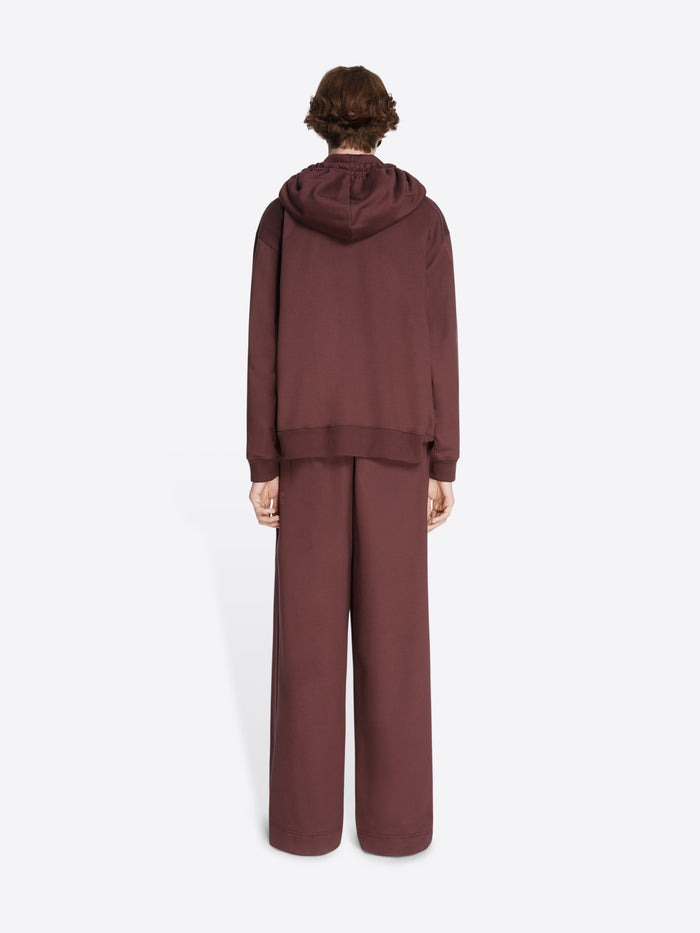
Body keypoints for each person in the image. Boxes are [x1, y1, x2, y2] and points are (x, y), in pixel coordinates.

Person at [246, 65, 459, 857]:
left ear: (320, 121)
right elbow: (441, 345)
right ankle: (396, 829)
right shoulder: (423, 220)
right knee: (397, 649)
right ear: (382, 122)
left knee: (304, 649)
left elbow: (263, 349)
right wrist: (444, 460)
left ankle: (304, 828)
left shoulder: (283, 217)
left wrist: (263, 461)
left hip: (306, 452)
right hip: (400, 451)